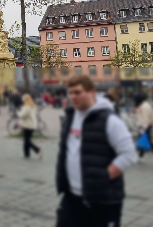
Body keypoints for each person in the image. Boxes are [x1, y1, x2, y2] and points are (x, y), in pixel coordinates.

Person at [56, 75, 136, 227]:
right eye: (70, 93)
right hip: (71, 197)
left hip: (102, 200)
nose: (73, 96)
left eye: (78, 92)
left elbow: (128, 154)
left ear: (91, 92)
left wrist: (104, 177)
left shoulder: (109, 119)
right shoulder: (69, 117)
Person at [19, 94, 42, 160]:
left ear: (25, 100)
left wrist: (18, 113)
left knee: (27, 141)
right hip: (32, 124)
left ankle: (38, 150)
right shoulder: (33, 106)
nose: (22, 101)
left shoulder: (27, 107)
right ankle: (26, 154)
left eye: (23, 100)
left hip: (27, 125)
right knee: (27, 140)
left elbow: (23, 115)